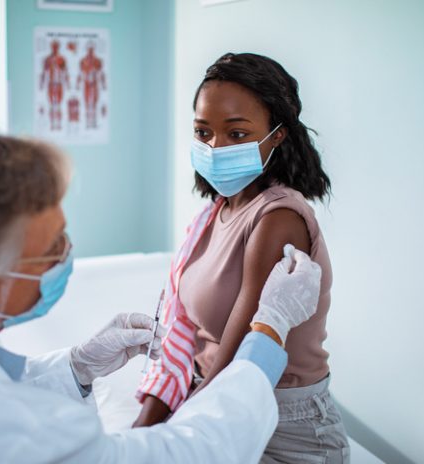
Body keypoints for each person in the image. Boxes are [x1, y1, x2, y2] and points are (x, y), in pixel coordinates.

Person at [0, 132, 323, 463]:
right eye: (52, 246)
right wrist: (268, 330)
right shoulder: (25, 432)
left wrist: (76, 367)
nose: (68, 253)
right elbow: (193, 452)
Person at [134, 53, 350, 463]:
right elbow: (185, 336)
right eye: (203, 132)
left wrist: (180, 434)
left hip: (283, 426)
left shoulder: (278, 218)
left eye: (236, 134)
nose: (215, 147)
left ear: (277, 136)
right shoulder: (216, 211)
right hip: (216, 399)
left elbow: (233, 364)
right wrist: (137, 437)